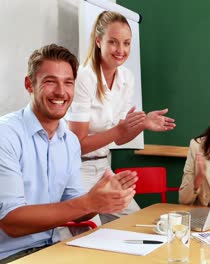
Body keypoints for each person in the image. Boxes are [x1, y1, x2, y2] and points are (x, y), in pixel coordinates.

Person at [0, 44, 137, 262]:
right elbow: (11, 222)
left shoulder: (70, 142)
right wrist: (89, 202)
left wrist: (102, 199)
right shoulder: (5, 135)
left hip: (53, 250)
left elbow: (77, 208)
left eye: (68, 83)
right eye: (50, 81)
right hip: (11, 256)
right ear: (29, 84)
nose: (61, 92)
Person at [66, 11, 175, 225]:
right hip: (76, 171)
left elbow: (120, 138)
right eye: (113, 42)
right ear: (98, 41)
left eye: (126, 43)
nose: (121, 50)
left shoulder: (126, 78)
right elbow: (76, 146)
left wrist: (141, 124)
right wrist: (118, 130)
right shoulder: (84, 77)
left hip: (104, 167)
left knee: (137, 224)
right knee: (91, 234)